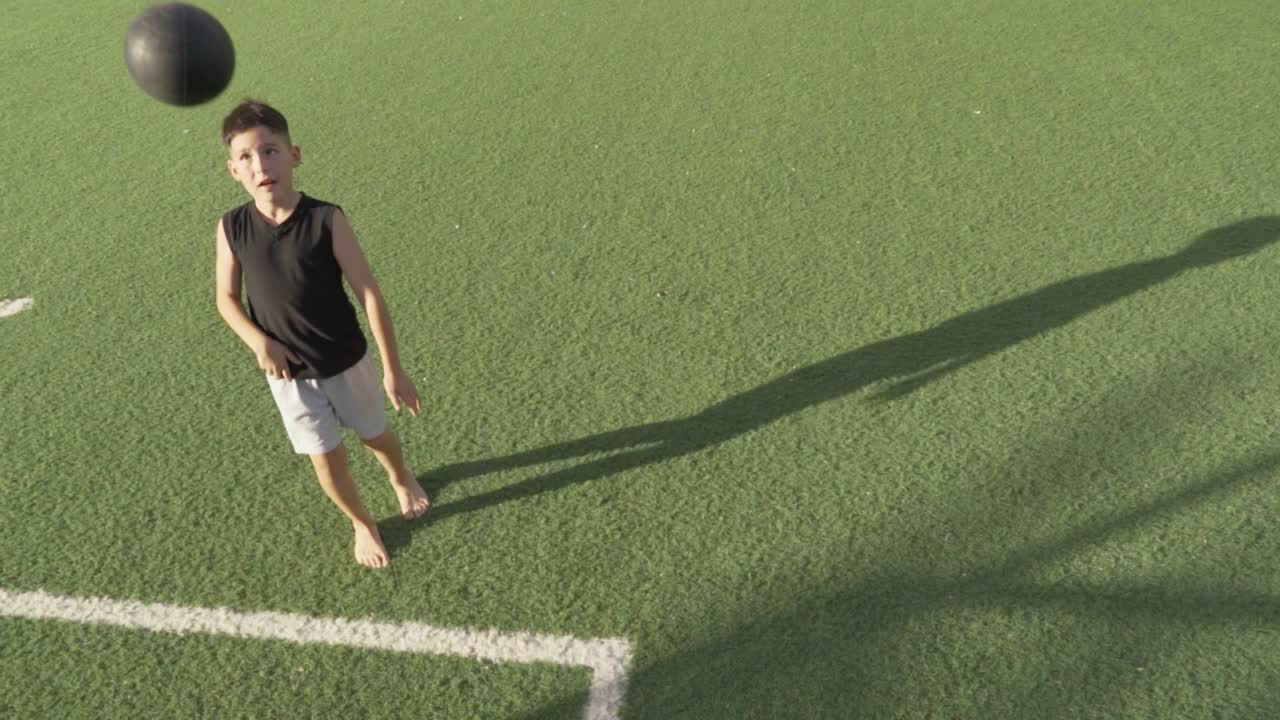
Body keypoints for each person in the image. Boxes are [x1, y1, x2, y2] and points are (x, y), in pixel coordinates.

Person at [213, 100, 429, 569]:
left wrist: (393, 370)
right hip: (288, 376)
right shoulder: (231, 228)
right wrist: (259, 342)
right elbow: (225, 298)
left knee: (375, 437)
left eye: (270, 151)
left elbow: (368, 292)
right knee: (325, 460)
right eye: (246, 157)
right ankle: (362, 523)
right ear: (233, 170)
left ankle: (400, 476)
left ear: (294, 156)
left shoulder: (326, 220)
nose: (260, 165)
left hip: (346, 361)